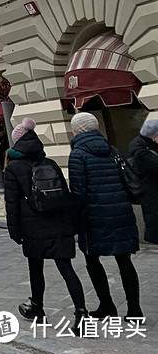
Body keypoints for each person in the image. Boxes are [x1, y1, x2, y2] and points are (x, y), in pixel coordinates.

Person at [3, 117, 87, 328]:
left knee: (35, 267)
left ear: (16, 143)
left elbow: (11, 202)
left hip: (32, 225)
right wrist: (73, 224)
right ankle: (81, 312)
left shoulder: (14, 167)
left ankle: (37, 307)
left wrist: (14, 230)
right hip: (59, 222)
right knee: (66, 268)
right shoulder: (49, 162)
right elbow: (65, 195)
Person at [67, 111, 143, 320]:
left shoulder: (78, 154)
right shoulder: (111, 150)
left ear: (77, 130)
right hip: (120, 212)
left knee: (93, 261)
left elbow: (78, 192)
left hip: (93, 216)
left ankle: (107, 305)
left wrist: (75, 220)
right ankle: (134, 310)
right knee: (124, 261)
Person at [129, 119, 158, 245]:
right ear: (153, 137)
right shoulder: (141, 152)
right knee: (154, 221)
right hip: (152, 193)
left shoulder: (149, 146)